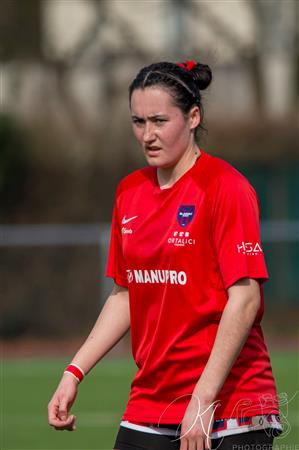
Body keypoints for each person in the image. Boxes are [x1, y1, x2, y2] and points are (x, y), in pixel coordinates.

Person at [48, 60, 282, 450]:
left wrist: (202, 399)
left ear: (193, 117)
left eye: (159, 120)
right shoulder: (129, 192)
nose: (148, 135)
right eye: (138, 122)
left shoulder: (225, 187)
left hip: (230, 408)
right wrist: (74, 371)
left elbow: (245, 299)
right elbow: (126, 293)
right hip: (151, 403)